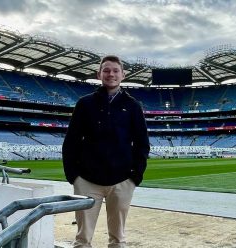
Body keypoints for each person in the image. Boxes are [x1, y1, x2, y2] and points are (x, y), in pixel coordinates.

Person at [62, 55, 150, 248]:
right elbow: (71, 142)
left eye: (115, 70)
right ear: (99, 74)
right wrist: (74, 176)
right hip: (86, 181)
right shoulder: (85, 104)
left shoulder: (133, 106)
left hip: (122, 182)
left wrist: (135, 177)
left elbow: (142, 144)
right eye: (107, 70)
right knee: (82, 239)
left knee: (118, 240)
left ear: (123, 75)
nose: (111, 74)